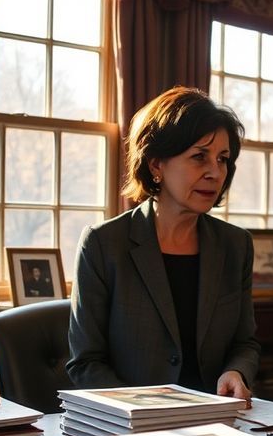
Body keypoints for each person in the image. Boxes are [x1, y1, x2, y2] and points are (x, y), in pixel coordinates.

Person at [67, 87, 259, 401]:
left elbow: (245, 343)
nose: (215, 172)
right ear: (156, 165)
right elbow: (86, 363)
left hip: (219, 419)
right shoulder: (103, 244)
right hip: (133, 426)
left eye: (223, 159)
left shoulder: (236, 245)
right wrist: (146, 408)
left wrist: (235, 371)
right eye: (199, 157)